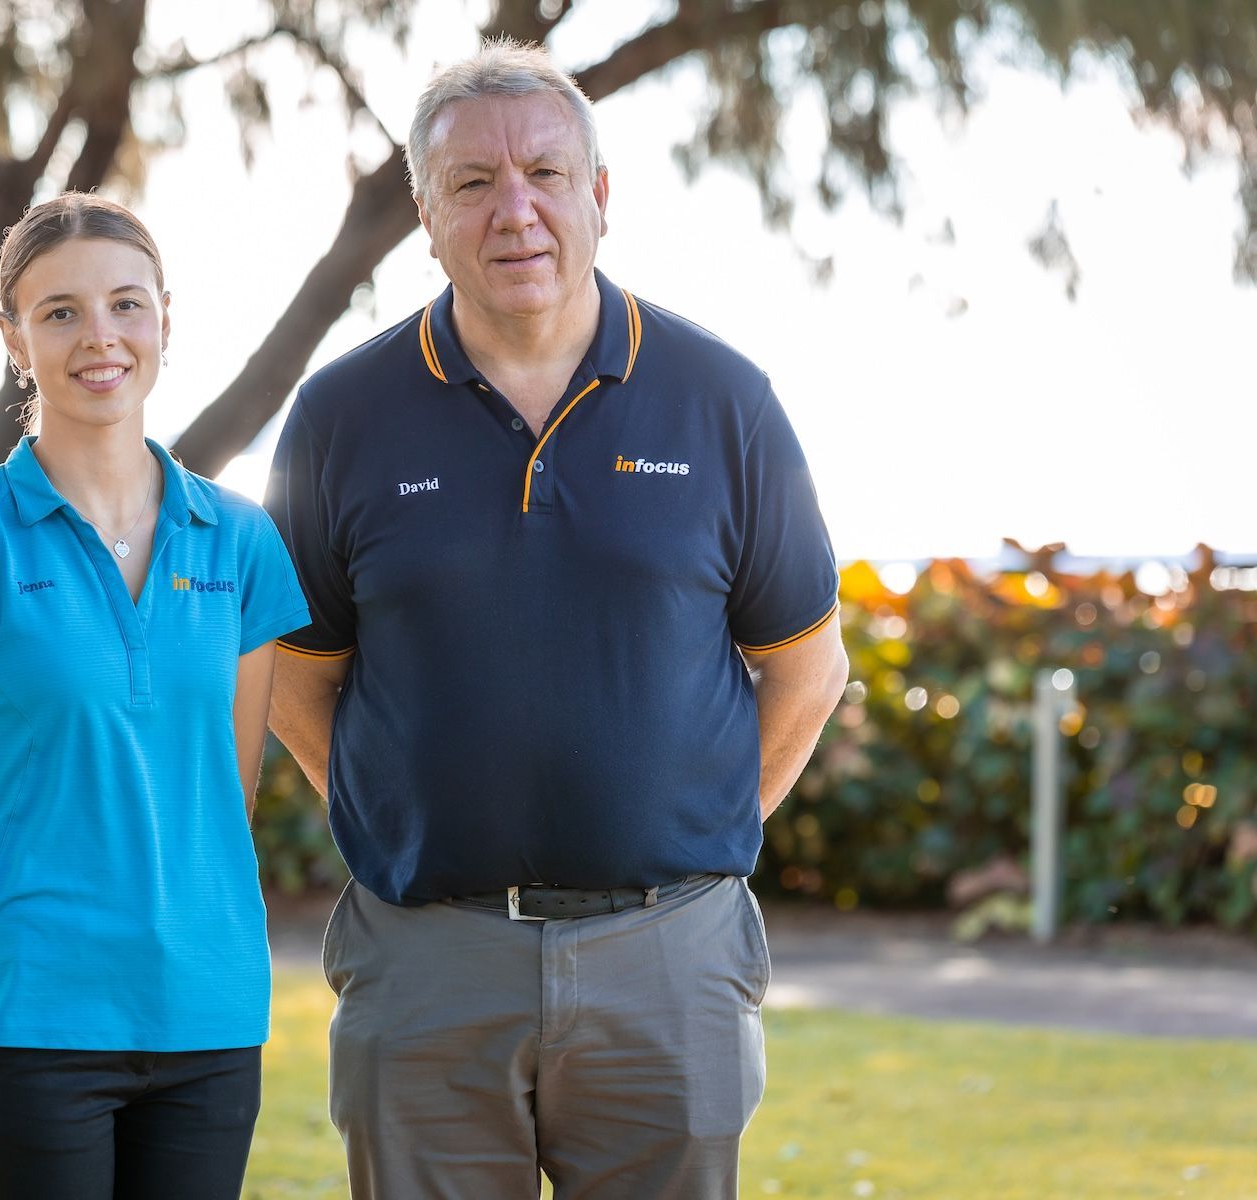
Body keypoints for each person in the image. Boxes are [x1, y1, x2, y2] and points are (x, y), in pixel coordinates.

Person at [264, 39, 849, 1200]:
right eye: (473, 183)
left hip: (669, 961)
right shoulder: (340, 415)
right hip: (426, 959)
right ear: (426, 216)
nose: (515, 211)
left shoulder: (725, 402)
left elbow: (807, 669)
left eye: (544, 173)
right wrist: (399, 823)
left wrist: (699, 837)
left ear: (600, 194)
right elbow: (295, 676)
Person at [0, 193, 309, 1200]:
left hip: (209, 1024)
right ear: (15, 339)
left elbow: (219, 797)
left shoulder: (241, 541)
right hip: (21, 1028)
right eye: (60, 312)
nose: (100, 336)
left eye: (125, 304)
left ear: (164, 322)